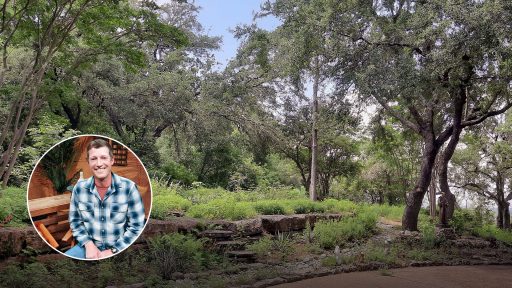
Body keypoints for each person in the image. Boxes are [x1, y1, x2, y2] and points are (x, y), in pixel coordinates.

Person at [65, 139, 145, 259]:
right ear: (88, 162)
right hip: (87, 248)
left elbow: (137, 227)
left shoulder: (129, 188)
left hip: (120, 249)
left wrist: (113, 250)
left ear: (112, 160)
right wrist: (88, 244)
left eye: (103, 157)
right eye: (93, 159)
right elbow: (75, 222)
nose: (98, 163)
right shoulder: (79, 189)